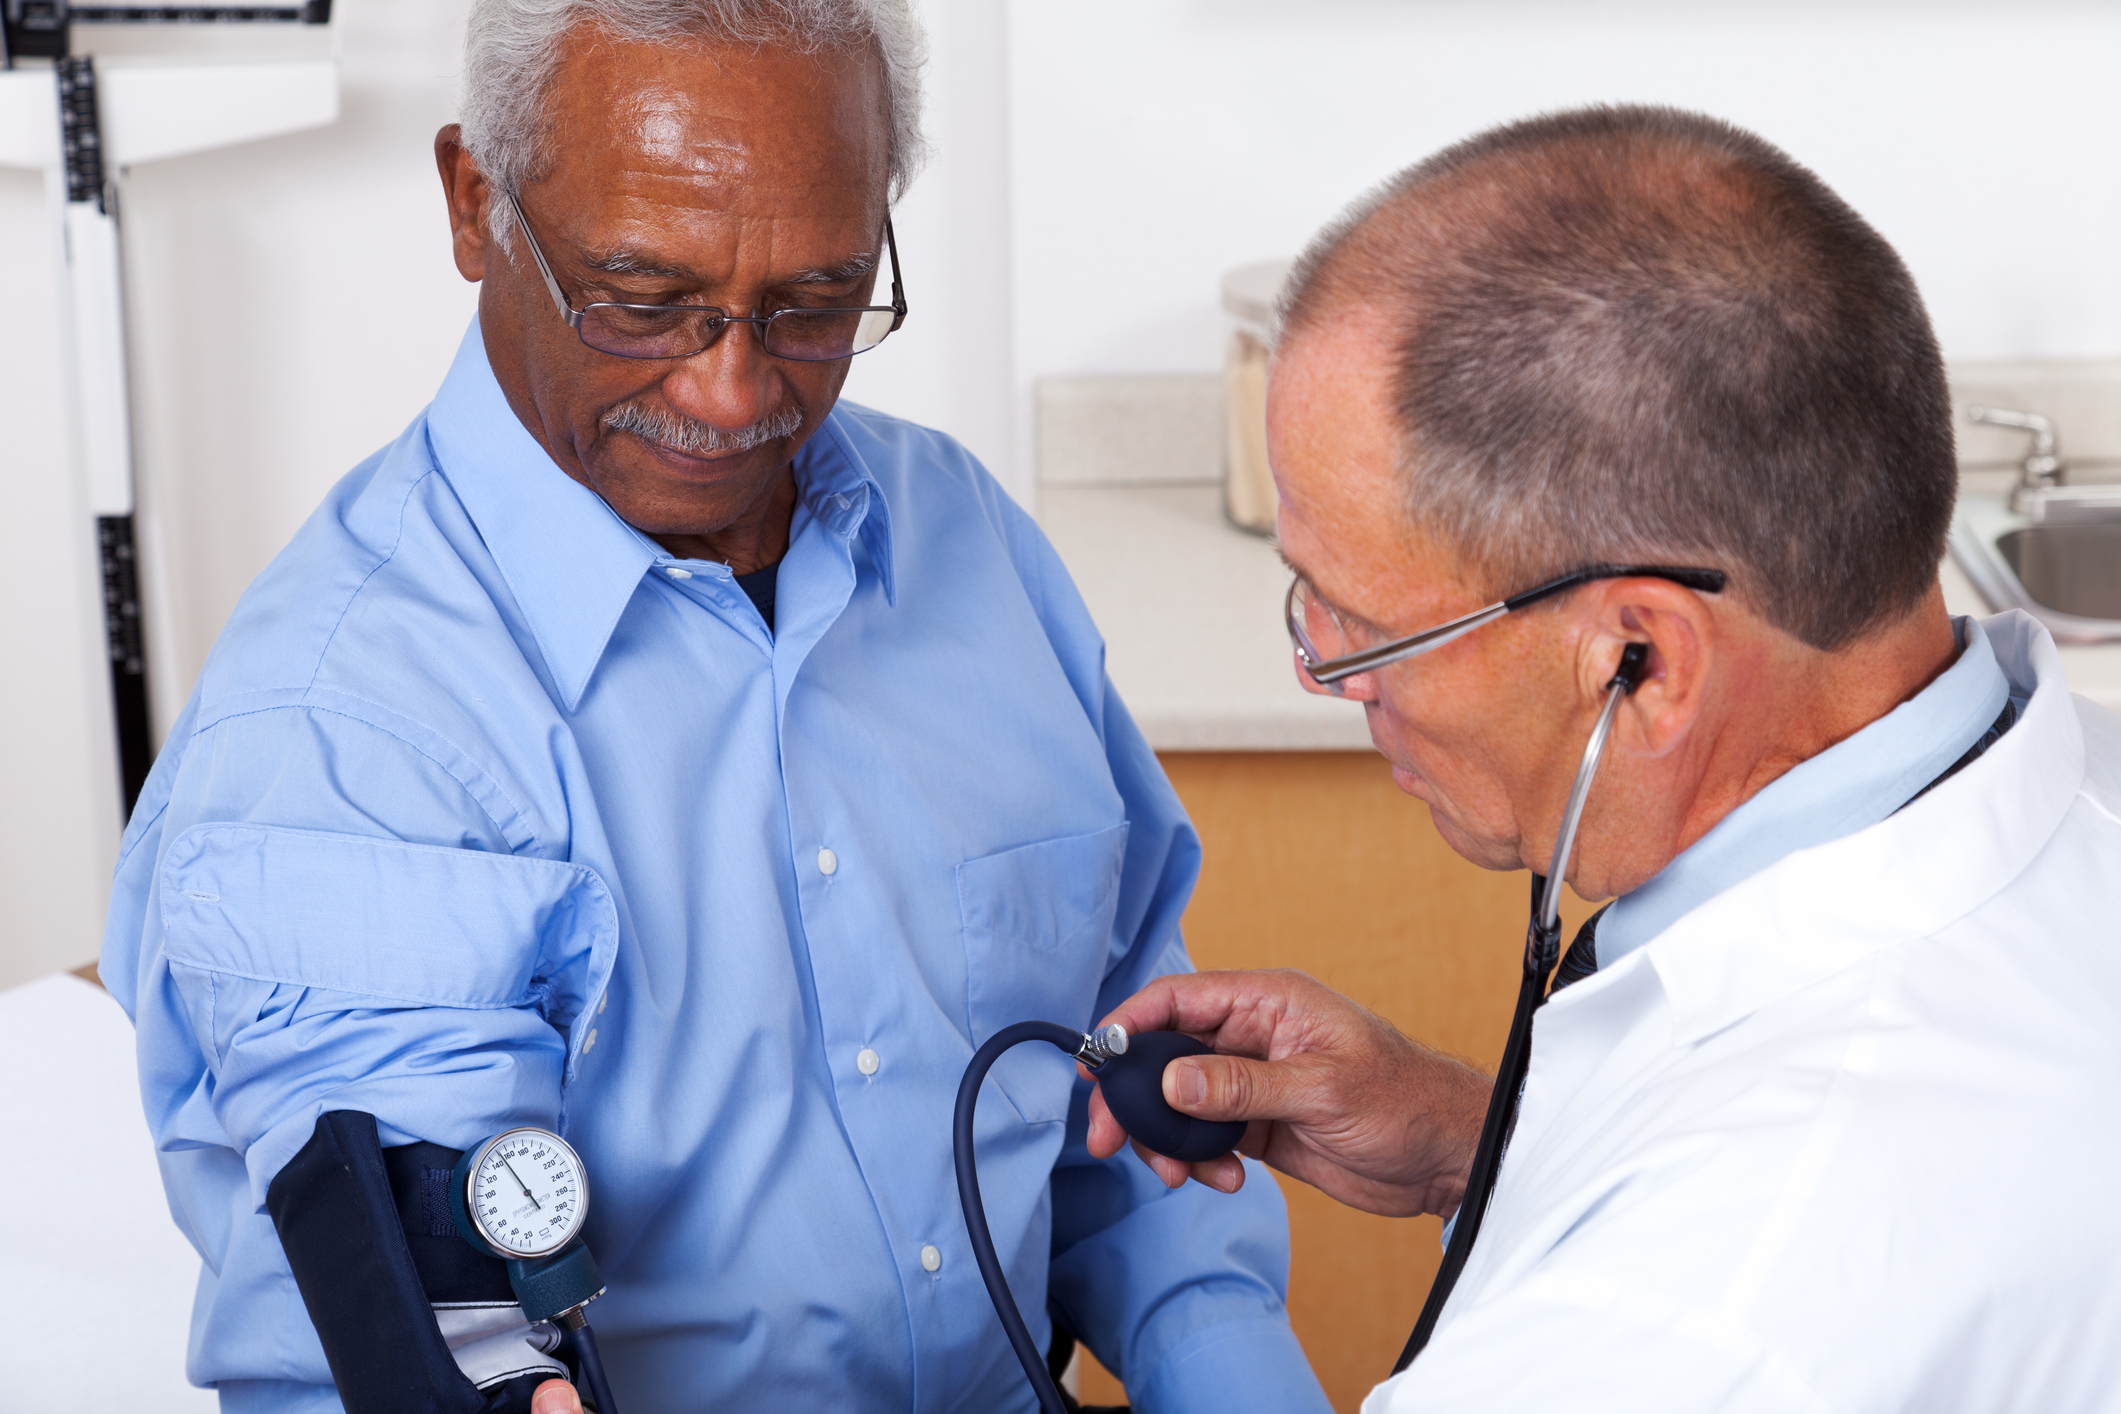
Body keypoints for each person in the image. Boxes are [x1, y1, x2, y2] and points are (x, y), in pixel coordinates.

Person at [97, 3, 1331, 1412]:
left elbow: (1120, 1098)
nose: (732, 386)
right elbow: (435, 1341)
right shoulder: (344, 731)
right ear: (470, 201)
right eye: (636, 297)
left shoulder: (967, 549)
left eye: (813, 303)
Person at [1087, 105, 2121, 1410]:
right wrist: (1490, 1151)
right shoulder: (2062, 801)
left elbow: (1738, 1280)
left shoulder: (1671, 1329)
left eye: (1354, 618)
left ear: (1639, 658)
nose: (1317, 667)